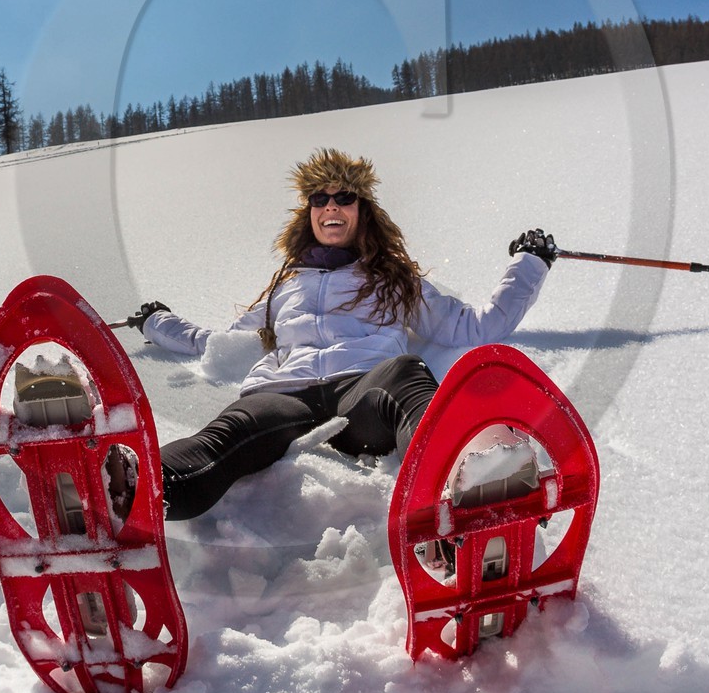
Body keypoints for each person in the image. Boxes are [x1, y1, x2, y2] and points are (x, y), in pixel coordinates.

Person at [124, 147, 558, 522]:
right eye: (320, 197)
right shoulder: (285, 287)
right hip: (283, 394)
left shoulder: (391, 278)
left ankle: (471, 475)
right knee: (230, 431)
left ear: (361, 210)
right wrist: (158, 322)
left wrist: (529, 263)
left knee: (406, 373)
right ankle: (127, 489)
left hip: (361, 392)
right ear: (309, 212)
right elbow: (216, 343)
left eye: (344, 196)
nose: (331, 205)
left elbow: (475, 326)